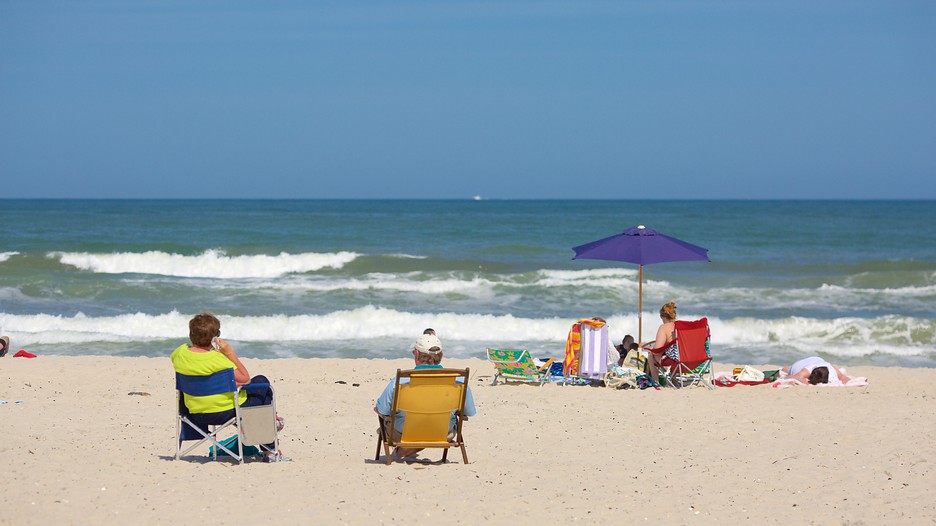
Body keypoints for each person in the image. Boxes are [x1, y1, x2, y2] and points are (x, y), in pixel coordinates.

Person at [170, 312, 287, 462]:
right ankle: (269, 448)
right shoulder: (218, 359)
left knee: (255, 385)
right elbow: (245, 379)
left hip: (193, 413)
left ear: (190, 335)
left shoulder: (179, 354)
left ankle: (271, 428)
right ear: (215, 338)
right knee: (262, 383)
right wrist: (230, 353)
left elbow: (203, 377)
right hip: (225, 413)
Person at [374, 333, 476, 461]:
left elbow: (382, 410)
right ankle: (405, 450)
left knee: (383, 416)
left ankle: (404, 449)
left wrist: (378, 410)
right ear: (440, 356)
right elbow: (469, 412)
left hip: (403, 434)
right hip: (443, 433)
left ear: (417, 354)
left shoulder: (401, 381)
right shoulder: (459, 381)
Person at [645, 301, 679, 384]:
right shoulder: (682, 325)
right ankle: (673, 379)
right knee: (673, 351)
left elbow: (657, 349)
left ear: (663, 317)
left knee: (651, 354)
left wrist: (652, 349)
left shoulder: (664, 327)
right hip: (685, 358)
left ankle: (655, 382)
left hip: (673, 361)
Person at [782, 356, 851, 385]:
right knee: (787, 370)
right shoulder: (806, 371)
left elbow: (843, 378)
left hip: (818, 360)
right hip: (800, 364)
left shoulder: (832, 369)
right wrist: (800, 379)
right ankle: (784, 368)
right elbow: (789, 377)